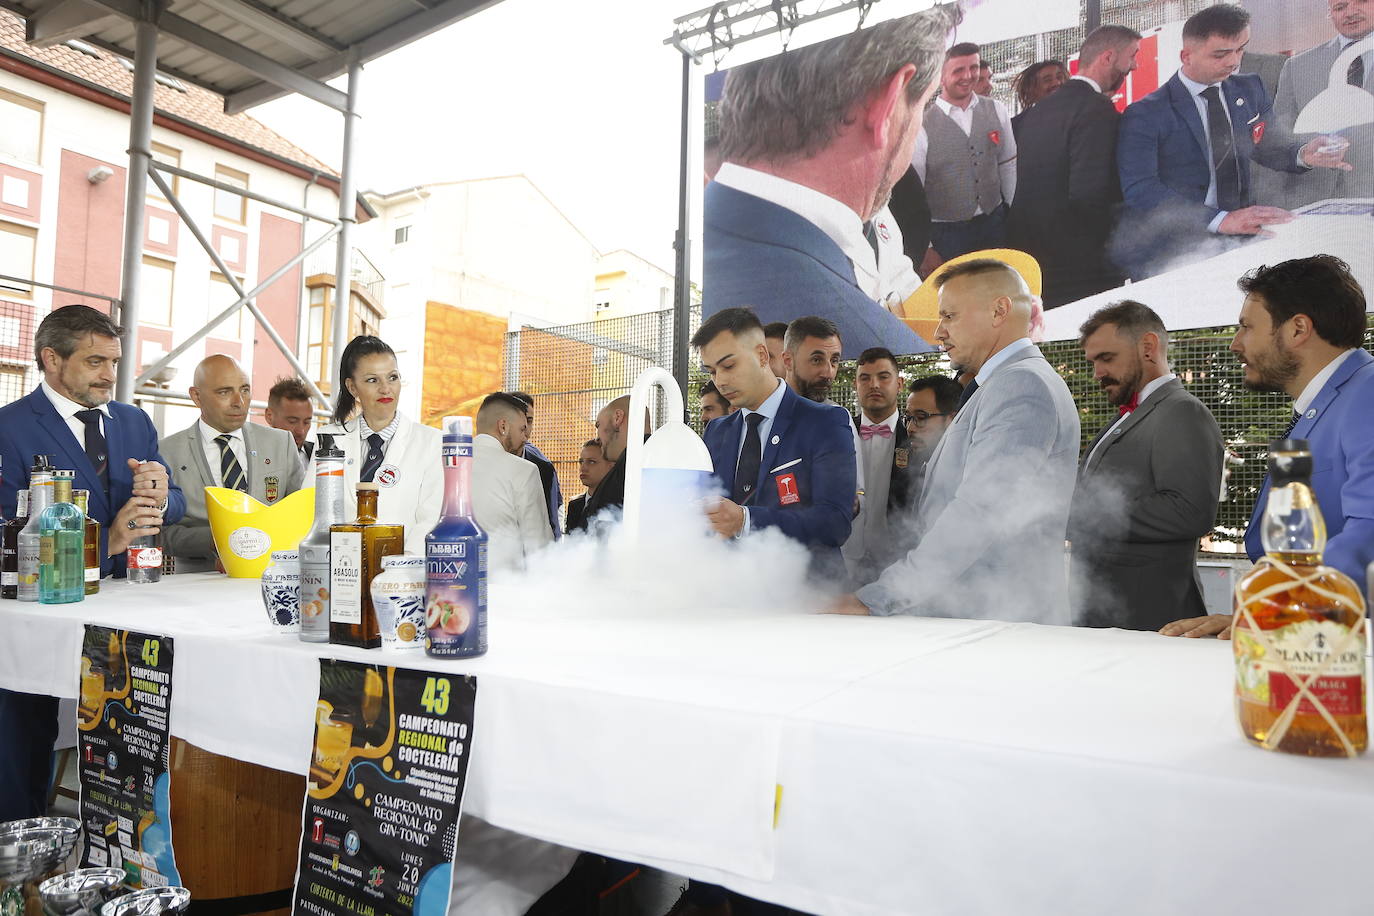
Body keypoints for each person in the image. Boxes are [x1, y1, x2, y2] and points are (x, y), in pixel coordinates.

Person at [0, 304, 185, 821]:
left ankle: (124, 837)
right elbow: (6, 534)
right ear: (51, 360)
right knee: (23, 725)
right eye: (95, 361)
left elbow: (176, 501)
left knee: (131, 727)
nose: (110, 374)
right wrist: (108, 539)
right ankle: (21, 845)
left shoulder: (133, 420)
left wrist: (161, 493)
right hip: (37, 612)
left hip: (128, 609)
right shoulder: (9, 428)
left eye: (115, 361)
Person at [828, 258, 1079, 620]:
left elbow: (979, 511)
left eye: (949, 316)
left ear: (999, 311)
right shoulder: (1003, 383)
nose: (938, 332)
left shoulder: (1021, 385)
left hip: (999, 618)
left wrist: (879, 598)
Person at [703, 7, 958, 357]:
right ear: (887, 103)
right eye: (924, 104)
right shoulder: (880, 353)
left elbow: (901, 284)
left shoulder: (700, 234)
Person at [1162, 255, 1374, 639]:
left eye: (1246, 327)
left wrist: (1276, 611)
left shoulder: (1368, 393)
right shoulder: (1327, 403)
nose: (1235, 344)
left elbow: (1370, 532)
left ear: (1298, 329)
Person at [1112, 4, 1351, 279]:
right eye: (1221, 54)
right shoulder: (1146, 113)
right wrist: (1219, 220)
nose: (1234, 62)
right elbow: (1141, 188)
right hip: (1176, 250)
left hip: (1244, 241)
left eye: (1240, 49)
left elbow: (1267, 145)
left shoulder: (1250, 88)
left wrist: (1303, 154)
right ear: (1185, 56)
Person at [1068, 301, 1223, 632]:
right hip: (1110, 615)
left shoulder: (1182, 412)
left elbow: (1189, 510)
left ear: (1148, 347)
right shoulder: (1130, 414)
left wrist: (1082, 516)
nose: (1097, 373)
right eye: (1093, 362)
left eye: (1106, 358)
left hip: (1153, 618)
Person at [696, 307, 855, 579]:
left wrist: (746, 520)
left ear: (761, 355)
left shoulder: (825, 422)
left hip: (808, 598)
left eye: (729, 365)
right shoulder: (716, 431)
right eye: (712, 371)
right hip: (731, 593)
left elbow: (835, 523)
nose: (720, 380)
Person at [1007, 27, 1142, 307]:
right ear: (1108, 56)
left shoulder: (1038, 111)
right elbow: (1091, 193)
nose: (1135, 65)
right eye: (1132, 56)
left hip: (1034, 254)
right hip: (1080, 263)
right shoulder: (1097, 109)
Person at [159, 355, 305, 573]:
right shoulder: (167, 452)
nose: (239, 402)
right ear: (196, 396)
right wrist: (219, 540)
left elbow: (302, 514)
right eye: (224, 392)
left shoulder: (280, 442)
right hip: (196, 585)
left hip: (273, 577)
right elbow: (161, 532)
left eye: (245, 390)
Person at [321, 335, 441, 555]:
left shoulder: (432, 443)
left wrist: (401, 570)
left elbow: (431, 519)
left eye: (392, 377)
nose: (386, 389)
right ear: (352, 387)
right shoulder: (329, 438)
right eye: (372, 380)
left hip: (402, 575)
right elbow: (310, 510)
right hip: (339, 571)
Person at [913, 42, 1018, 262]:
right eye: (958, 70)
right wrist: (927, 245)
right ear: (940, 77)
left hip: (994, 221)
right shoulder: (921, 126)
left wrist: (1011, 209)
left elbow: (1007, 163)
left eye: (974, 67)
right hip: (947, 233)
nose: (968, 75)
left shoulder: (996, 110)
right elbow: (915, 191)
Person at [1272, 0, 1374, 207]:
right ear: (1330, 13)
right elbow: (1277, 141)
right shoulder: (1298, 65)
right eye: (1340, 7)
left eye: (1361, 1)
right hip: (1314, 204)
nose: (1350, 12)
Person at [842, 348, 919, 587]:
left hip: (898, 565)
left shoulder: (917, 438)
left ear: (900, 383)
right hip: (842, 561)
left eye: (883, 376)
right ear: (856, 384)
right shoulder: (838, 433)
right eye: (865, 378)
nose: (874, 384)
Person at [782, 317, 865, 506]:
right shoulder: (761, 415)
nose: (828, 373)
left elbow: (858, 491)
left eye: (834, 361)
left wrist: (852, 502)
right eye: (817, 360)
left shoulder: (838, 419)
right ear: (788, 361)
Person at [471, 393, 554, 571]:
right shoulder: (524, 470)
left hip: (447, 589)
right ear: (503, 426)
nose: (525, 438)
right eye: (522, 429)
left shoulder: (442, 463)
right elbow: (539, 549)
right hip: (504, 589)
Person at [510, 391, 561, 540]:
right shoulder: (480, 461)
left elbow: (552, 521)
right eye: (519, 419)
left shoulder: (543, 468)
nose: (525, 426)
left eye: (530, 420)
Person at [903, 374, 962, 494]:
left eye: (921, 417)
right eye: (908, 418)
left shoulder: (965, 477)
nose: (910, 428)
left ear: (952, 419)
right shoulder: (917, 464)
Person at [1009, 60, 1070, 135]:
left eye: (1060, 77)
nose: (1056, 83)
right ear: (1031, 90)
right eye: (1047, 80)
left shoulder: (1080, 116)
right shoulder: (1017, 127)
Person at [265, 376, 316, 463]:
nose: (301, 431)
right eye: (292, 421)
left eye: (307, 422)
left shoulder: (319, 456)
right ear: (269, 416)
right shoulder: (250, 455)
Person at [564, 439, 609, 535]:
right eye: (581, 462)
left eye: (591, 462)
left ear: (610, 465)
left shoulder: (615, 504)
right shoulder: (574, 505)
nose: (583, 468)